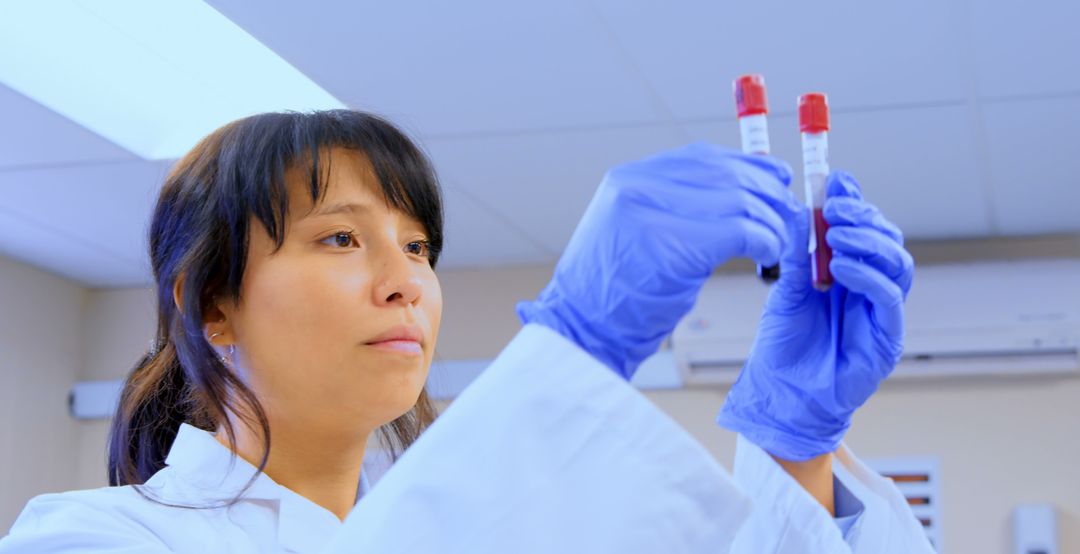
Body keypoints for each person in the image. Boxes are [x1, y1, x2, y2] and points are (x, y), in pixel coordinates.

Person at [0, 110, 931, 553]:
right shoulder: (89, 540)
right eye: (340, 237)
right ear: (212, 304)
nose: (404, 279)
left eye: (417, 245)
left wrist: (793, 441)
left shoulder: (515, 523)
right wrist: (575, 349)